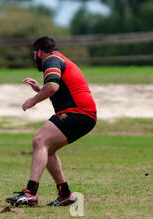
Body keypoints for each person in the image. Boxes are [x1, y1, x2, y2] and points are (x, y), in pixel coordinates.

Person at [6, 36, 97, 207]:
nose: (35, 59)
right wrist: (40, 89)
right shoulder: (60, 59)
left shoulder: (52, 60)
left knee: (40, 140)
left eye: (34, 55)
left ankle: (30, 193)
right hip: (85, 114)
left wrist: (33, 99)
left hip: (79, 112)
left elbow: (53, 87)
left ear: (39, 52)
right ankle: (65, 195)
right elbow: (58, 89)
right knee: (46, 151)